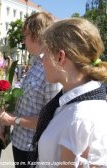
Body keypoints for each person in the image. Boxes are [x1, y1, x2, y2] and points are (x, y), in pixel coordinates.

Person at [32, 18, 107, 167]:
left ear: (60, 57)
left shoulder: (80, 118)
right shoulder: (71, 102)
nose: (42, 61)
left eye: (44, 54)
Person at [0, 12, 62, 167]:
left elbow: (53, 120)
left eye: (25, 35)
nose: (23, 40)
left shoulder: (51, 68)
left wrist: (14, 120)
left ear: (36, 35)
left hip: (33, 149)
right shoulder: (36, 64)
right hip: (20, 142)